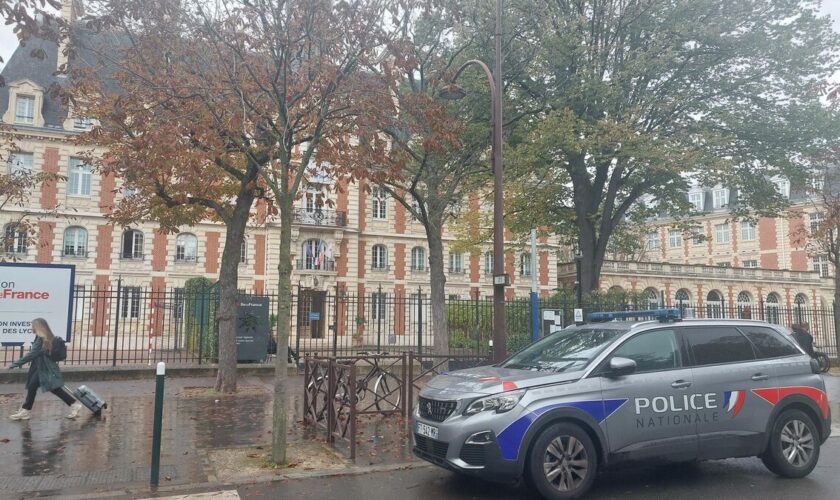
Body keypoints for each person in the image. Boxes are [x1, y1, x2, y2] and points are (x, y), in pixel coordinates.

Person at [7, 318, 82, 421]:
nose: (31, 328)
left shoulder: (42, 339)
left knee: (52, 388)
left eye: (33, 326)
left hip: (44, 368)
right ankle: (25, 410)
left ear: (38, 327)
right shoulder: (47, 337)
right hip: (42, 367)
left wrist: (15, 364)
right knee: (33, 386)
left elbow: (32, 354)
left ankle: (74, 404)